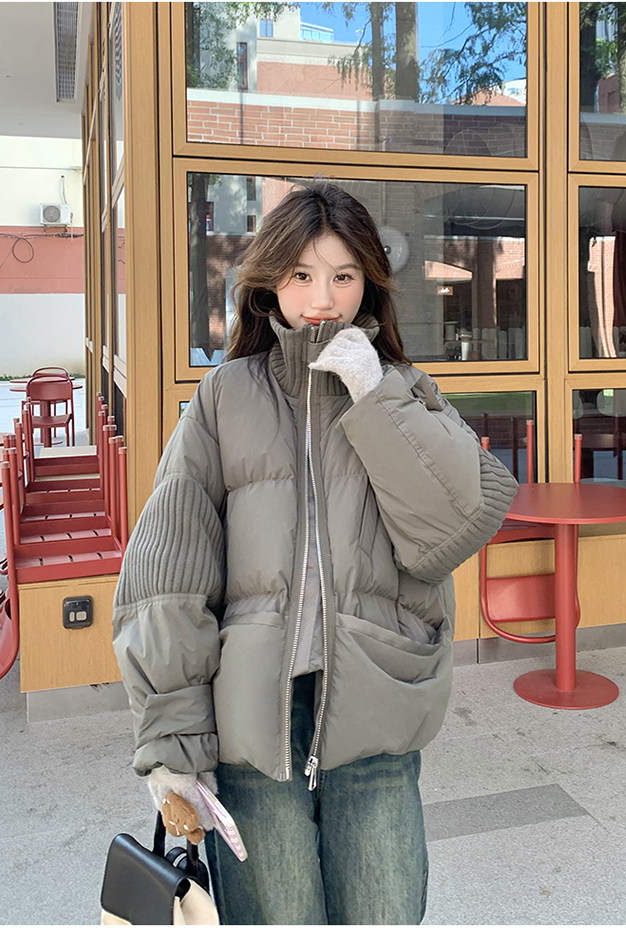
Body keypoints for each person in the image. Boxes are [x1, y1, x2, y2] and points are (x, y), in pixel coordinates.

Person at [112, 179, 518, 925]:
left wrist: (375, 393)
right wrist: (171, 736)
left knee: (384, 912)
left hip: (377, 704)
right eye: (301, 274)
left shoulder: (401, 390)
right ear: (271, 283)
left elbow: (456, 526)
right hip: (251, 719)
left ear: (370, 285)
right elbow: (167, 573)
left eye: (343, 275)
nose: (323, 299)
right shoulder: (226, 396)